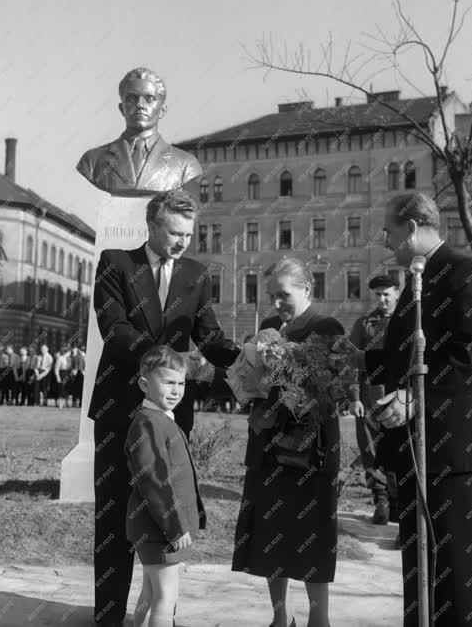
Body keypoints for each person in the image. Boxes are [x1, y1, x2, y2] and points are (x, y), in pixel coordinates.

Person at [335, 192, 472, 626]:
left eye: (389, 230)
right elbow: (407, 356)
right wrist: (359, 358)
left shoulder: (461, 272)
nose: (384, 238)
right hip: (423, 448)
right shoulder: (420, 276)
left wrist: (415, 399)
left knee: (465, 564)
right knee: (425, 560)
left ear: (412, 227)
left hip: (457, 445)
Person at [91, 188, 239, 627]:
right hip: (120, 410)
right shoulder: (116, 264)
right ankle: (108, 616)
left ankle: (158, 615)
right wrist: (163, 359)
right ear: (152, 225)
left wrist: (246, 359)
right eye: (175, 233)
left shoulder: (196, 273)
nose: (182, 243)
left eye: (188, 235)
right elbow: (113, 329)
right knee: (115, 518)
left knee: (164, 517)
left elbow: (208, 337)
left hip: (171, 418)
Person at [232, 258, 345, 627]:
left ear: (307, 289)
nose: (276, 303)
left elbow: (332, 392)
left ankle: (319, 620)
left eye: (284, 294)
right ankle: (280, 618)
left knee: (312, 533)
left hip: (311, 446)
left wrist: (290, 376)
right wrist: (247, 381)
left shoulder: (327, 327)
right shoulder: (266, 327)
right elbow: (252, 380)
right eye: (271, 295)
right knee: (271, 530)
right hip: (268, 443)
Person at [125, 345, 206, 627]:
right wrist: (174, 524)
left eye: (181, 383)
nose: (176, 390)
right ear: (145, 384)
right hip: (159, 527)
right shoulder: (148, 423)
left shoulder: (160, 419)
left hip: (159, 526)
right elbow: (154, 479)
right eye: (168, 382)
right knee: (166, 598)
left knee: (150, 592)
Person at [76, 67, 202, 196]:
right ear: (121, 108)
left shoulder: (186, 165)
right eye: (132, 98)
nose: (140, 105)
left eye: (150, 99)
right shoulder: (92, 161)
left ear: (162, 110)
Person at [348, 274, 400, 527]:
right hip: (369, 396)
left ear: (397, 293)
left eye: (387, 294)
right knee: (371, 451)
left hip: (400, 397)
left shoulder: (407, 322)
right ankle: (381, 502)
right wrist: (354, 398)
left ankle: (399, 503)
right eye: (378, 295)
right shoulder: (364, 324)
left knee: (400, 449)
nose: (382, 299)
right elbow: (351, 362)